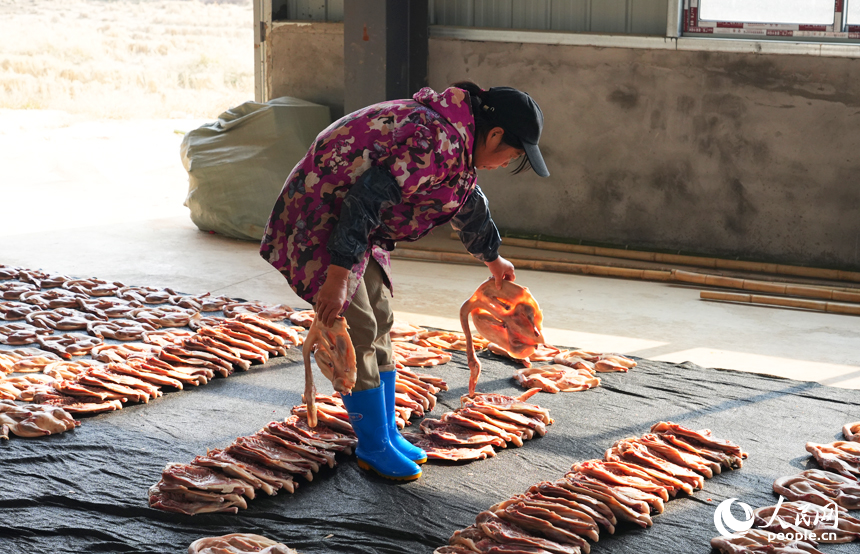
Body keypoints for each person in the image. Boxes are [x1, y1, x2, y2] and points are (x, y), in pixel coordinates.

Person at [260, 81, 549, 481]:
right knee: (358, 327)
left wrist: (491, 256)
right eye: (512, 155)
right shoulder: (435, 140)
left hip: (361, 228)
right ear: (495, 134)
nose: (504, 164)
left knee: (380, 319)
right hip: (326, 217)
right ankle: (372, 445)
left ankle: (387, 433)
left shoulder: (458, 146)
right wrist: (338, 276)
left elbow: (465, 200)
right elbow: (363, 199)